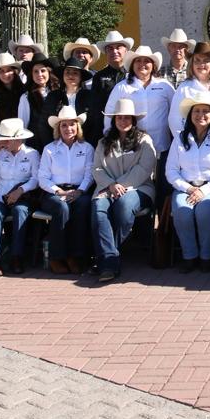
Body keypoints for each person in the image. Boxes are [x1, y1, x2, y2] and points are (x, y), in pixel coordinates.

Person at [91, 98, 158, 281]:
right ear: (114, 120)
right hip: (107, 187)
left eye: (127, 118)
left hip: (139, 188)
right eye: (119, 118)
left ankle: (106, 260)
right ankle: (110, 260)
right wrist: (111, 185)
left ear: (133, 120)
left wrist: (121, 185)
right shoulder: (104, 142)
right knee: (98, 210)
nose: (123, 121)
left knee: (124, 206)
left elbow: (145, 168)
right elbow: (96, 168)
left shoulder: (144, 140)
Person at [166, 92, 210, 272]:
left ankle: (206, 256)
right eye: (196, 111)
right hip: (184, 188)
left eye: (205, 111)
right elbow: (171, 171)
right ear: (190, 115)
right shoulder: (179, 139)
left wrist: (203, 191)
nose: (201, 115)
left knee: (205, 209)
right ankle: (190, 256)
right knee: (182, 210)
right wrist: (189, 189)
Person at [37, 106, 94, 274]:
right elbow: (43, 178)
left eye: (72, 124)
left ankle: (76, 256)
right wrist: (58, 191)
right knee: (61, 208)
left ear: (78, 127)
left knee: (83, 206)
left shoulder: (87, 148)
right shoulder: (49, 149)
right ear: (58, 128)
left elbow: (89, 174)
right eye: (64, 125)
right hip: (54, 192)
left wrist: (80, 191)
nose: (68, 128)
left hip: (79, 190)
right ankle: (57, 257)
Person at [0, 118, 40, 275]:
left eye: (7, 140)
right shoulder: (0, 154)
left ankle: (17, 256)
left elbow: (36, 179)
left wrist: (20, 190)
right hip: (1, 196)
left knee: (20, 212)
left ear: (18, 139)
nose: (4, 142)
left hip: (22, 196)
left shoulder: (31, 154)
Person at [104, 46, 174, 158]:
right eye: (138, 60)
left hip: (161, 146)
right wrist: (109, 140)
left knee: (161, 175)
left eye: (147, 60)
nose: (142, 64)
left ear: (153, 65)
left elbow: (175, 112)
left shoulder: (164, 86)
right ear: (132, 65)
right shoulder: (122, 87)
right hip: (132, 148)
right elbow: (110, 114)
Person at [91, 31, 134, 132]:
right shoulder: (99, 76)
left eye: (118, 47)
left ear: (126, 50)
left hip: (131, 128)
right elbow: (95, 108)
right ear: (105, 52)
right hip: (106, 129)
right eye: (110, 48)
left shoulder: (134, 74)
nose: (114, 51)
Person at [18, 58, 60, 150]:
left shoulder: (59, 93)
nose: (39, 74)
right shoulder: (26, 97)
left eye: (43, 71)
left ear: (49, 72)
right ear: (31, 75)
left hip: (57, 142)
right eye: (36, 71)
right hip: (35, 144)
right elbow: (23, 123)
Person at [46, 57, 98, 126]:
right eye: (67, 72)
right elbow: (44, 120)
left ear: (81, 77)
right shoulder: (53, 96)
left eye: (75, 73)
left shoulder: (90, 96)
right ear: (63, 76)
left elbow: (95, 121)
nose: (70, 75)